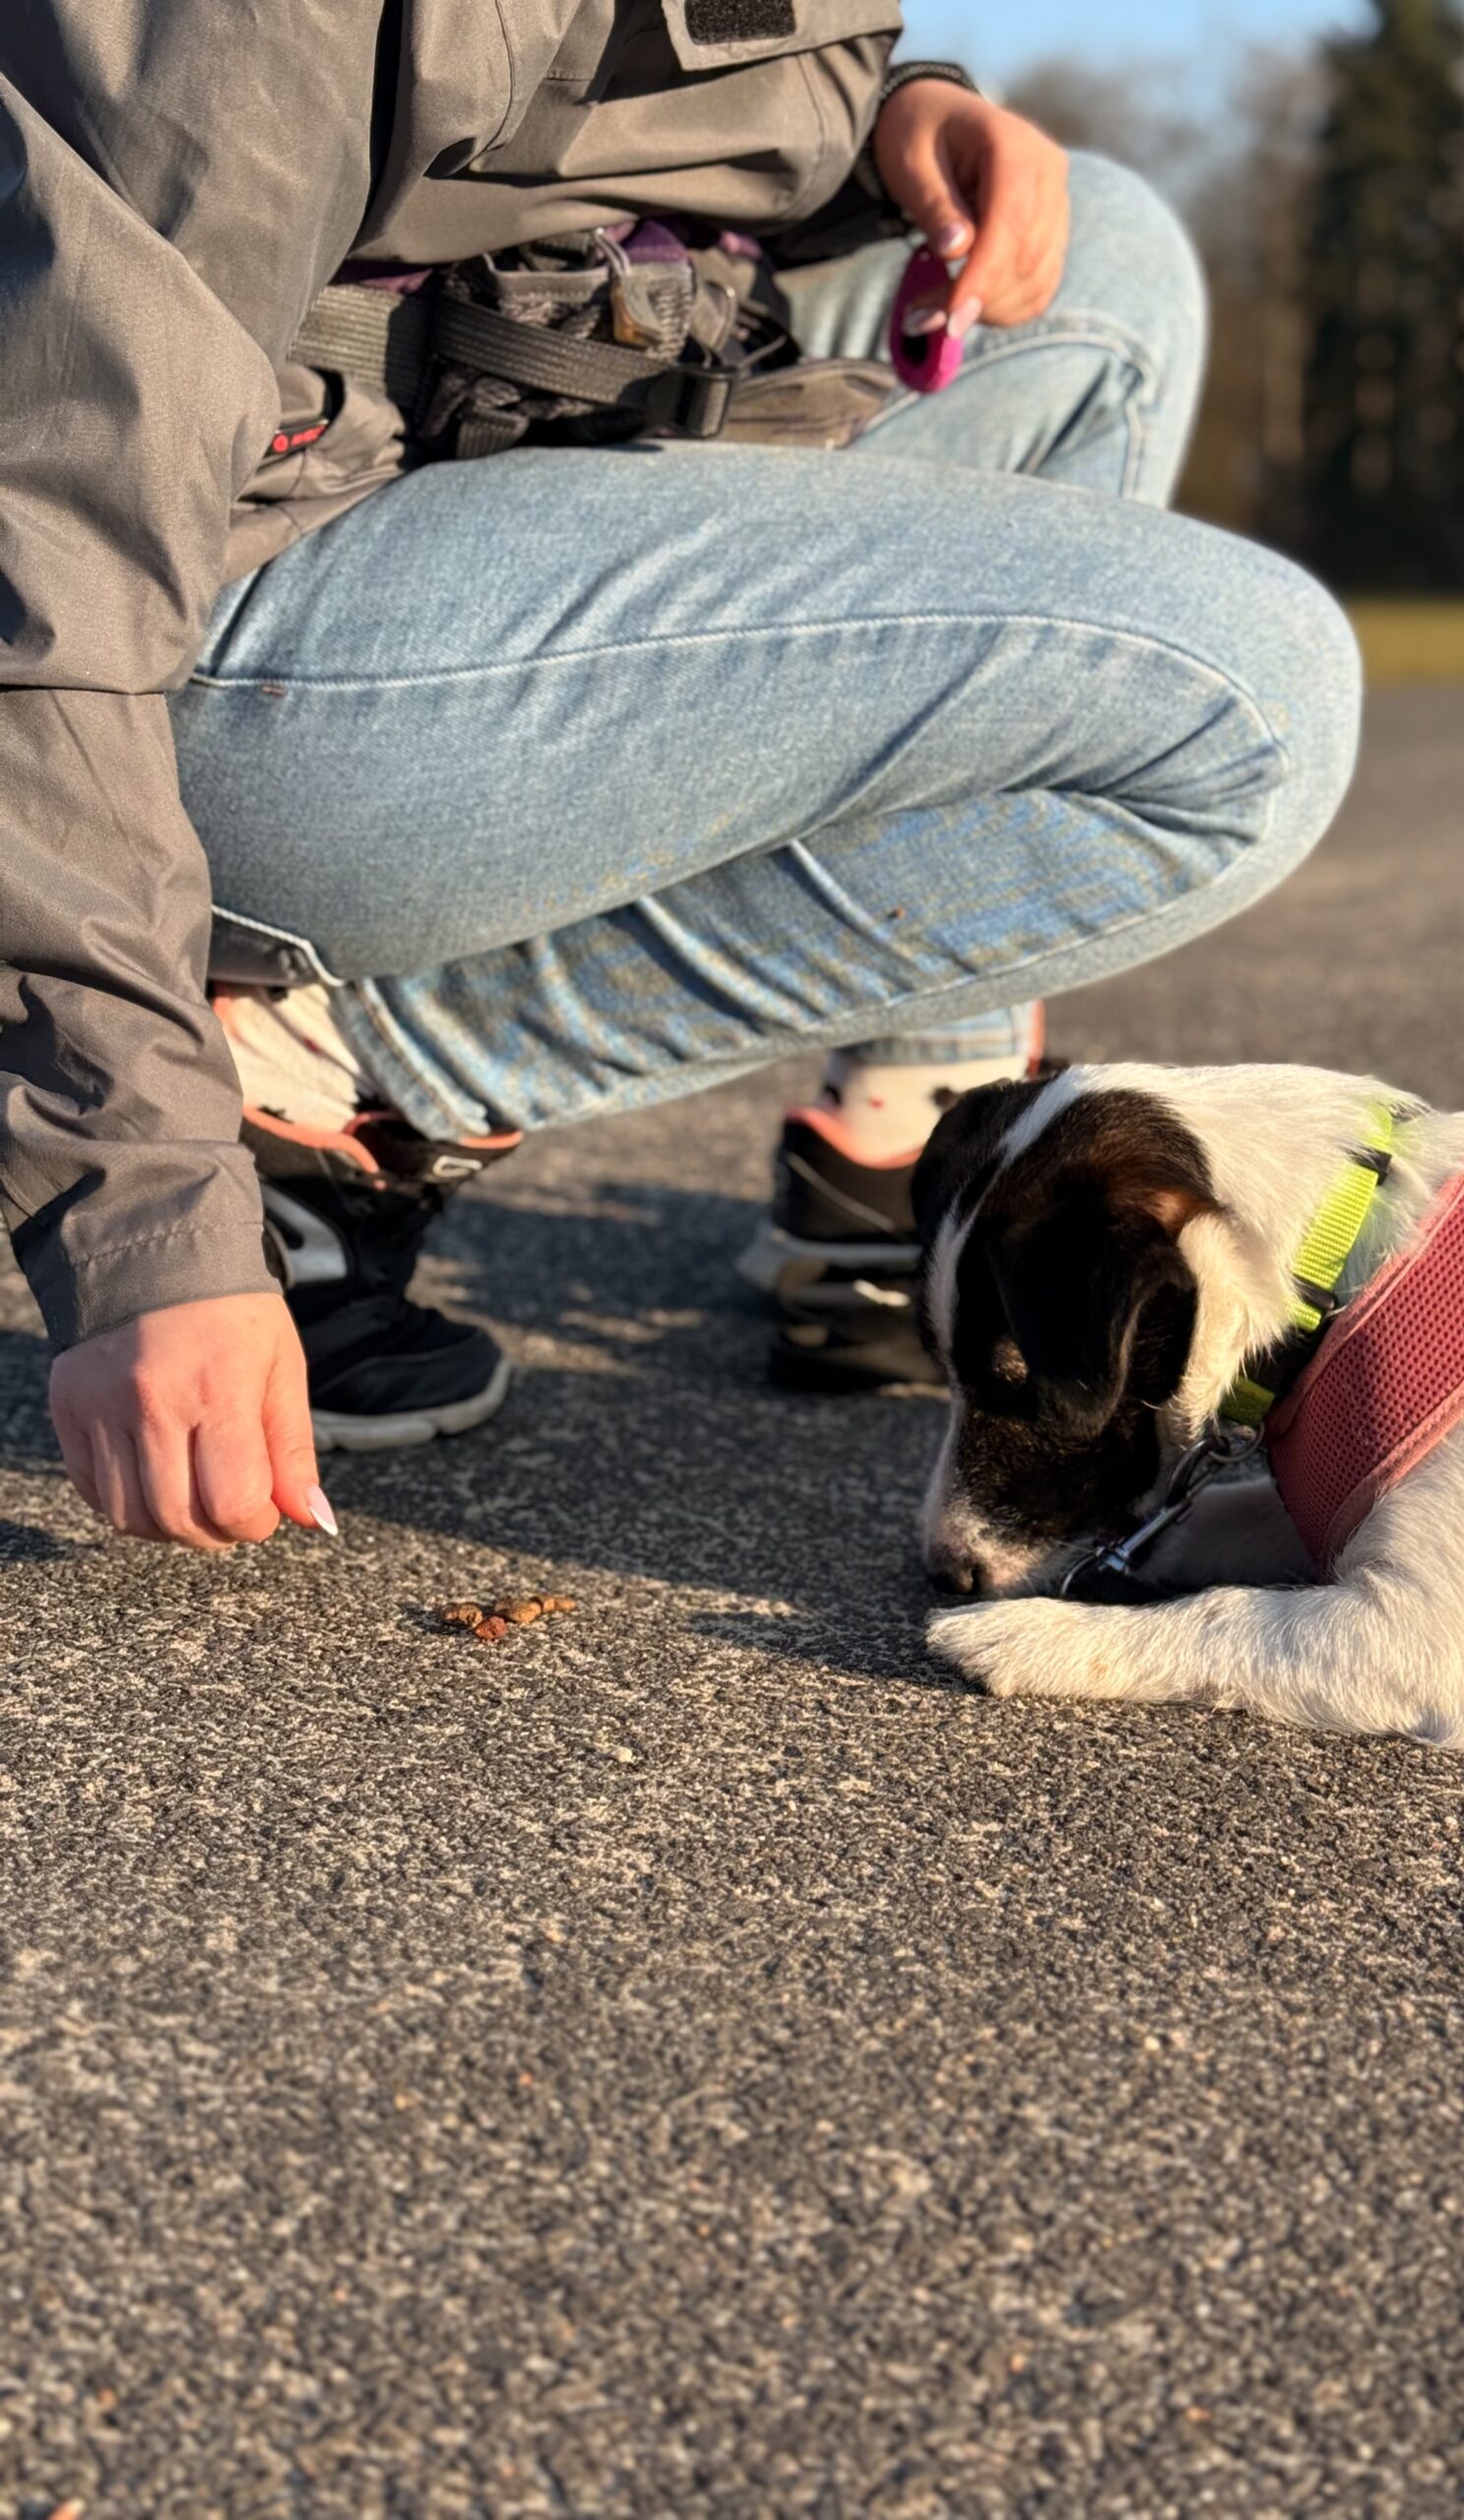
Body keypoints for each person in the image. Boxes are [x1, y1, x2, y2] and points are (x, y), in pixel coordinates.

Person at [0, 0, 1362, 1553]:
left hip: (465, 468)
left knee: (1096, 258)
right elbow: (34, 555)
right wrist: (143, 1224)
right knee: (1244, 710)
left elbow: (580, 112)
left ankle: (904, 1141)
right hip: (198, 653)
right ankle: (330, 1084)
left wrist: (890, 125)